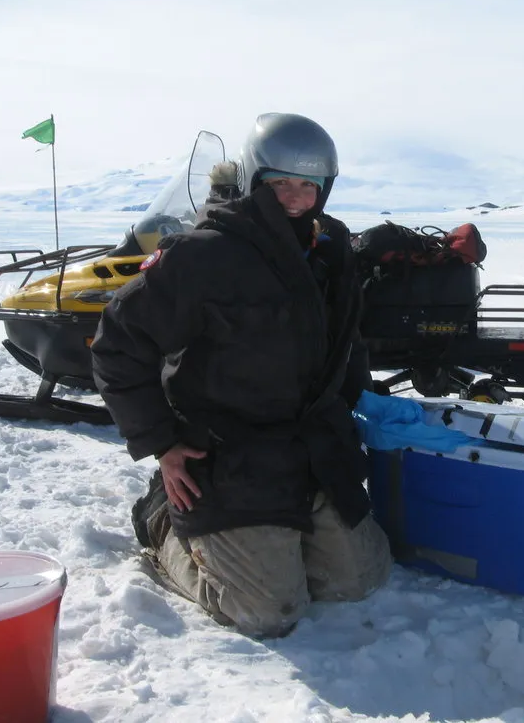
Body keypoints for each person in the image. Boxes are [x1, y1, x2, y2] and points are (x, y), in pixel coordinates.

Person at [91, 112, 392, 637]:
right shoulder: (202, 256)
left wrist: (358, 410)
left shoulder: (331, 250)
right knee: (267, 611)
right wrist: (162, 443)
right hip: (228, 453)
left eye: (308, 185)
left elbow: (348, 342)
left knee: (359, 580)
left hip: (310, 447)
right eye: (280, 184)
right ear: (253, 181)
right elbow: (117, 345)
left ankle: (275, 538)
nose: (296, 198)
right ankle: (163, 523)